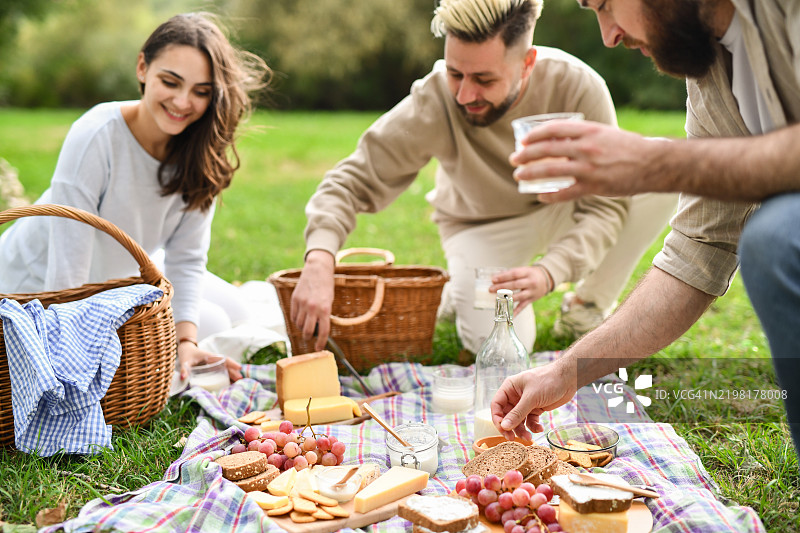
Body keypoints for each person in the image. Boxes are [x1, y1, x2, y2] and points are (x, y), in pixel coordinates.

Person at [493, 0, 800, 456]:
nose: (609, 36)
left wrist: (656, 162)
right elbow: (697, 253)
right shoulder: (711, 74)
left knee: (776, 237)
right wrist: (565, 372)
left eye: (605, 5)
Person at [290, 0, 677, 356]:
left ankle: (585, 306)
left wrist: (551, 272)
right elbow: (350, 180)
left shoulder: (577, 86)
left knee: (663, 171)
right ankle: (463, 288)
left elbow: (606, 206)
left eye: (484, 80)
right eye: (455, 73)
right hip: (482, 227)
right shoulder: (435, 98)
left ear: (527, 63)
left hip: (564, 211)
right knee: (506, 351)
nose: (464, 95)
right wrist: (320, 261)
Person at [0, 13, 270, 382]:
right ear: (143, 67)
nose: (182, 101)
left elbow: (187, 258)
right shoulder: (97, 134)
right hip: (38, 285)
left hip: (128, 270)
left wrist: (186, 341)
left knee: (238, 313)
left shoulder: (199, 149)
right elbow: (66, 271)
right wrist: (73, 348)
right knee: (217, 322)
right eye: (170, 82)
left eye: (201, 91)